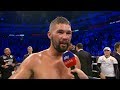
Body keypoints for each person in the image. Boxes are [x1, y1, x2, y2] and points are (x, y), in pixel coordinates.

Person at [9, 16, 88, 79]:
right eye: (60, 32)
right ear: (49, 35)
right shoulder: (34, 60)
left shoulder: (74, 59)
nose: (65, 37)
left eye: (68, 33)